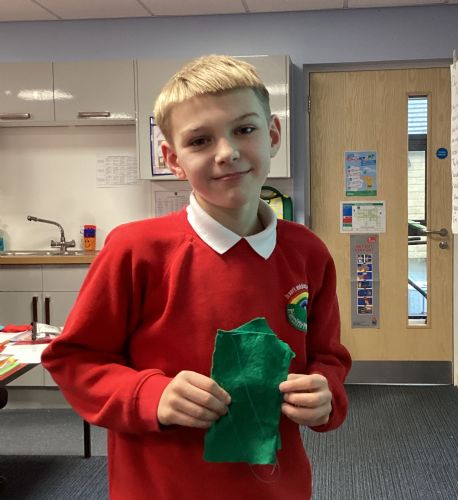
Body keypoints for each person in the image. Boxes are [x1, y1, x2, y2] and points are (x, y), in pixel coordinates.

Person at [42, 55, 351, 500]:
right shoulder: (136, 250)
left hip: (276, 487)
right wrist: (150, 394)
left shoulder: (307, 252)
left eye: (244, 129)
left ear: (273, 135)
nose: (227, 152)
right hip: (160, 488)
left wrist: (327, 394)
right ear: (173, 159)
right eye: (201, 140)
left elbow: (329, 357)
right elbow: (74, 360)